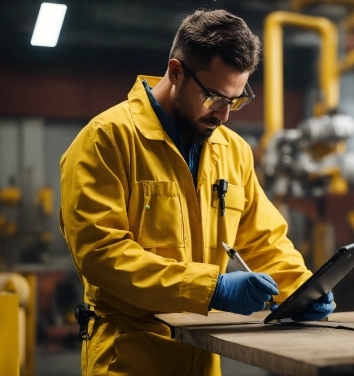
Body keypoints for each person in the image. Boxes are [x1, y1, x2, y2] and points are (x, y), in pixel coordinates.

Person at [59, 8, 334, 376]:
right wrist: (211, 288)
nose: (224, 116)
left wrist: (301, 290)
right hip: (129, 357)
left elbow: (263, 240)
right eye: (215, 98)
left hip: (203, 355)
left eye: (237, 99)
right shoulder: (107, 140)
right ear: (176, 72)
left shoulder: (232, 150)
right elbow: (101, 255)